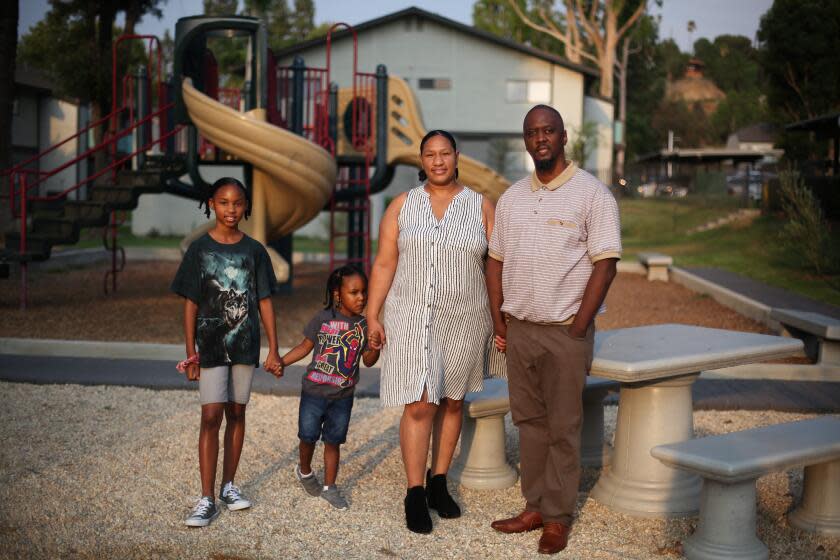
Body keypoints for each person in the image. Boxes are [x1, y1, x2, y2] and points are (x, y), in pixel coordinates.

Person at [486, 105, 621, 554]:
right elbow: (495, 259)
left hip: (565, 331)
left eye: (548, 131)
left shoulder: (592, 194)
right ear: (525, 141)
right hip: (521, 328)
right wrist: (498, 317)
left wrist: (580, 326)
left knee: (564, 426)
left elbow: (606, 264)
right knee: (529, 422)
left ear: (563, 137)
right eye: (532, 132)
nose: (540, 138)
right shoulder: (512, 198)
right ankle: (535, 505)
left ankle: (558, 517)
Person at [366, 129, 504, 534]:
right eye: (430, 155)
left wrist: (503, 319)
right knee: (420, 402)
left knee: (453, 401)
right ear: (421, 161)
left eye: (445, 154)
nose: (438, 161)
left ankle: (438, 482)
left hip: (465, 316)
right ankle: (414, 493)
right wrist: (372, 315)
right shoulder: (401, 206)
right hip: (410, 314)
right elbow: (385, 264)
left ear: (456, 156)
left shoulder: (482, 206)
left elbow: (497, 268)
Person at [171, 176, 282, 528]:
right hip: (211, 348)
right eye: (223, 202)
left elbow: (264, 301)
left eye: (237, 203)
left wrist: (274, 348)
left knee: (237, 414)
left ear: (246, 206)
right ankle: (206, 498)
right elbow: (190, 303)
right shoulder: (199, 250)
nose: (230, 209)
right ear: (211, 204)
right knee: (210, 416)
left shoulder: (254, 251)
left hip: (246, 347)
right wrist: (191, 353)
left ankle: (229, 486)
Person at [279, 265, 381, 510]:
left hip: (343, 396)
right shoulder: (322, 318)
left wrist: (375, 346)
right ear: (337, 294)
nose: (361, 297)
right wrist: (281, 362)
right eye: (354, 292)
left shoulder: (364, 326)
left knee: (333, 441)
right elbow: (304, 347)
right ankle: (304, 471)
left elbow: (367, 361)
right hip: (313, 393)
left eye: (364, 292)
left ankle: (329, 487)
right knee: (308, 436)